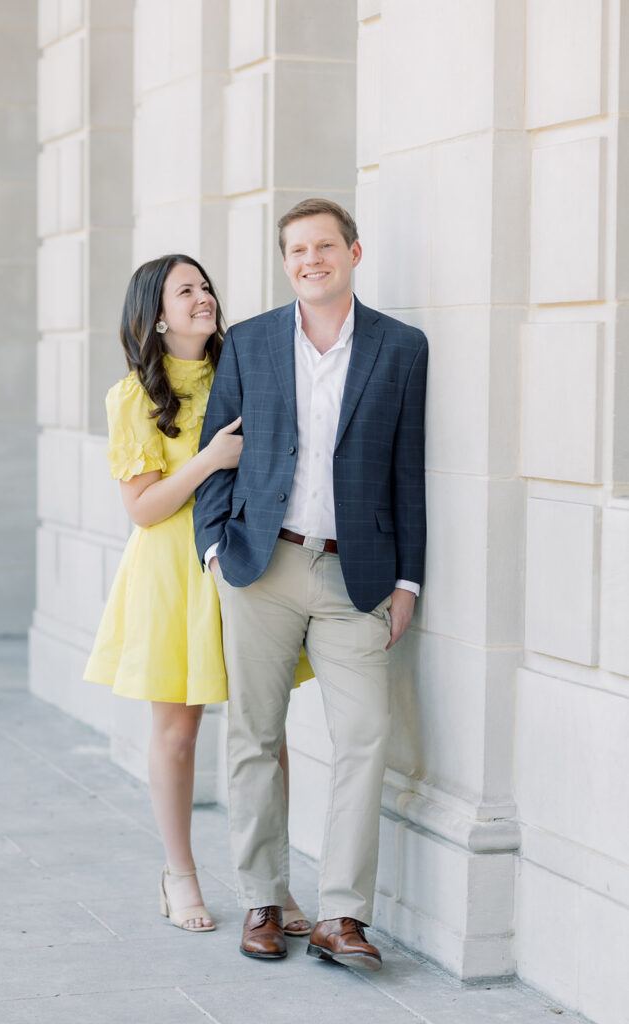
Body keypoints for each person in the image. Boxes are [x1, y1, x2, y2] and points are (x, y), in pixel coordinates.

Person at [193, 199, 428, 970]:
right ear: (285, 262)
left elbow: (408, 470)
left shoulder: (401, 347)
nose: (310, 260)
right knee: (254, 734)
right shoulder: (252, 343)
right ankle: (263, 899)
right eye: (296, 250)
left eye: (324, 245)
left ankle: (342, 918)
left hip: (356, 573)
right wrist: (214, 552)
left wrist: (407, 580)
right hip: (260, 565)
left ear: (354, 252)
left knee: (365, 738)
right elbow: (217, 449)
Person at [84, 254, 311, 935]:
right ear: (156, 312)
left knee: (265, 732)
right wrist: (210, 458)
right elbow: (145, 509)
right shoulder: (131, 398)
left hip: (246, 566)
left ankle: (272, 883)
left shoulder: (244, 369)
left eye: (207, 286)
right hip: (170, 574)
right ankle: (178, 872)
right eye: (187, 290)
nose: (204, 297)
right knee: (178, 732)